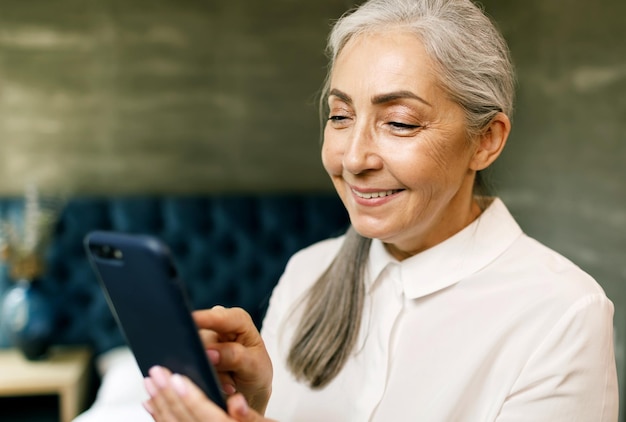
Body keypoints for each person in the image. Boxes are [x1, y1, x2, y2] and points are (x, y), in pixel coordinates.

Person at [142, 0, 619, 420]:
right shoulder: (308, 273)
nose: (354, 159)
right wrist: (258, 400)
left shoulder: (562, 313)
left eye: (399, 122)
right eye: (341, 116)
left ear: (486, 141)